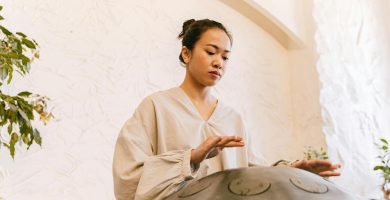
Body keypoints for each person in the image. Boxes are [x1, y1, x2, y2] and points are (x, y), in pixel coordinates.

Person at [112, 19, 341, 200]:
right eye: (211, 52)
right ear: (186, 53)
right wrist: (191, 157)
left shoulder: (233, 118)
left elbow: (251, 172)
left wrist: (293, 171)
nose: (218, 62)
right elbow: (128, 178)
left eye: (225, 57)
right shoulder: (156, 107)